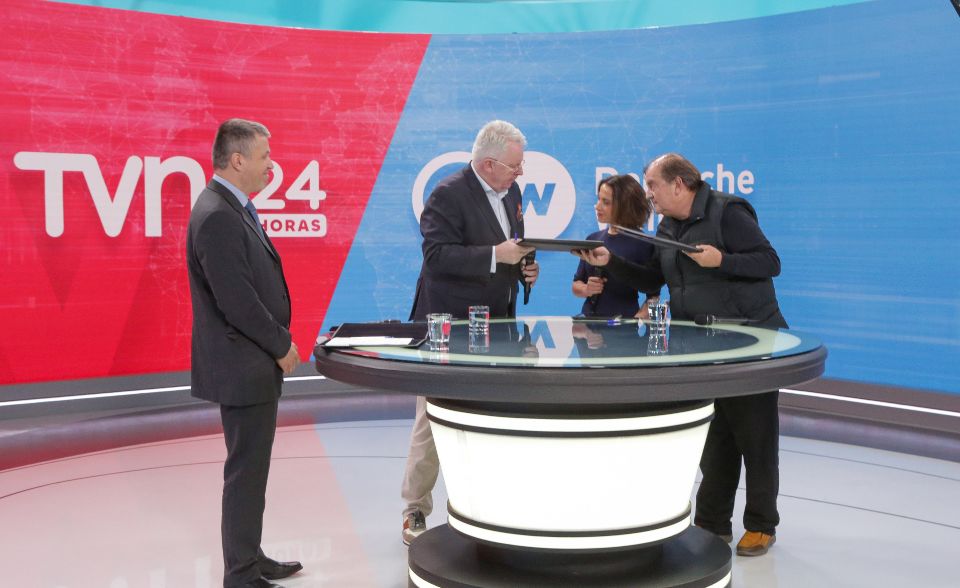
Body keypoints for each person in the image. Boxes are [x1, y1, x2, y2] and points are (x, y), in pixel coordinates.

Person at [575, 152, 787, 557]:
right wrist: (611, 262)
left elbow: (769, 262)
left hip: (748, 342)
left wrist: (721, 260)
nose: (649, 194)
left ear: (678, 184)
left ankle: (762, 524)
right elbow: (653, 279)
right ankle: (712, 522)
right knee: (714, 438)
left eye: (653, 185)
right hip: (700, 345)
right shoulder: (668, 225)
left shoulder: (728, 212)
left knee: (755, 437)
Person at [402, 120, 539, 545]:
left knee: (490, 415)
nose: (521, 173)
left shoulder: (512, 192)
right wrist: (496, 256)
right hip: (450, 325)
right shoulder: (448, 194)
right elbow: (437, 256)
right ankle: (414, 508)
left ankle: (485, 509)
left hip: (497, 324)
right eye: (515, 166)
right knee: (432, 418)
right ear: (488, 164)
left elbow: (514, 247)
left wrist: (525, 269)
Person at [187, 118, 303, 588]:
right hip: (244, 363)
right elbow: (237, 302)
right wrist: (280, 345)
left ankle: (250, 557)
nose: (271, 165)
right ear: (237, 160)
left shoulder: (231, 207)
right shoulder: (217, 214)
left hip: (248, 363)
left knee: (252, 470)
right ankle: (240, 575)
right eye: (264, 156)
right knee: (245, 471)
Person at [572, 174, 659, 318]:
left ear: (625, 206)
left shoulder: (644, 244)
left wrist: (637, 318)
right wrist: (587, 289)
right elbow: (576, 284)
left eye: (606, 202)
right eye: (599, 199)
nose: (597, 206)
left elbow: (654, 296)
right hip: (588, 325)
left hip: (623, 327)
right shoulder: (593, 239)